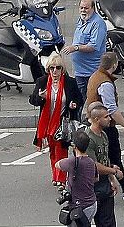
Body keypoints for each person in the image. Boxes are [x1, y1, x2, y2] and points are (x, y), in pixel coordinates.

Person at [85, 55, 124, 200]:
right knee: (114, 156)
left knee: (105, 157)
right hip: (105, 127)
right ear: (115, 64)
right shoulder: (105, 83)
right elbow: (111, 109)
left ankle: (121, 185)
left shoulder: (95, 76)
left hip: (95, 122)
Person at [35, 54, 82, 184]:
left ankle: (60, 178)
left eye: (58, 68)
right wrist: (41, 97)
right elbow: (33, 100)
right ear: (48, 69)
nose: (54, 71)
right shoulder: (42, 82)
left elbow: (79, 99)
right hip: (47, 123)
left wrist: (74, 104)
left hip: (63, 122)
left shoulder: (70, 82)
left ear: (63, 69)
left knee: (61, 150)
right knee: (52, 151)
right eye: (52, 68)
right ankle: (55, 176)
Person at [80, 102, 124, 227]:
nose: (109, 119)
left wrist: (112, 179)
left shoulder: (103, 134)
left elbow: (105, 158)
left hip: (104, 184)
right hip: (93, 185)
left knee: (108, 222)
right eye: (106, 117)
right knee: (99, 220)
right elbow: (94, 165)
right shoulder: (89, 139)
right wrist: (114, 172)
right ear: (96, 119)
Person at [57, 134, 101, 227]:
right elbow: (96, 179)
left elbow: (57, 164)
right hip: (92, 203)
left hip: (79, 206)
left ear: (74, 146)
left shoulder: (72, 162)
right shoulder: (91, 161)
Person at [71, 0, 106, 84]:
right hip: (80, 72)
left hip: (91, 73)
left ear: (93, 8)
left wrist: (75, 48)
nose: (83, 10)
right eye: (81, 8)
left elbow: (93, 46)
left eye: (86, 8)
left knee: (91, 97)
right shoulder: (82, 19)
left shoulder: (98, 23)